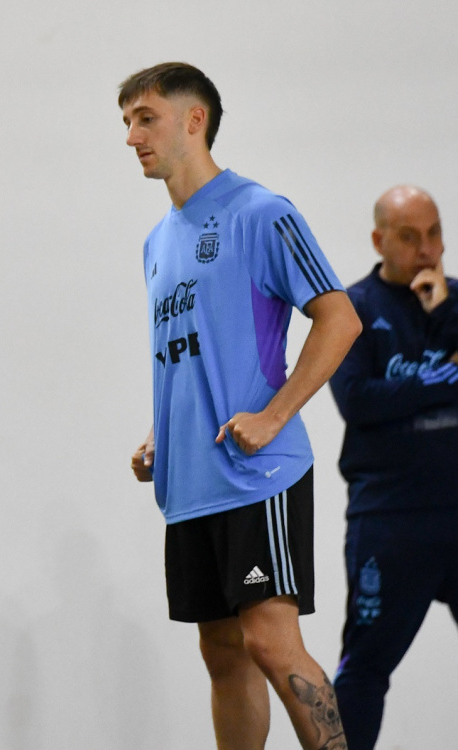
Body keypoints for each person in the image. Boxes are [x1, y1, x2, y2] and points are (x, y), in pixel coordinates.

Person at [120, 62, 361, 749]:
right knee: (223, 654)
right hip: (192, 482)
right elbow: (191, 353)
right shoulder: (157, 243)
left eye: (145, 117)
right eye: (127, 122)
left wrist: (274, 415)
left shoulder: (261, 213)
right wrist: (159, 434)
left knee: (270, 642)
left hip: (259, 473)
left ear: (194, 120)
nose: (132, 135)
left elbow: (339, 318)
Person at [329, 185, 458, 749]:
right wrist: (440, 379)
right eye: (410, 237)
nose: (427, 250)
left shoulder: (457, 301)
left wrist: (446, 313)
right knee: (365, 667)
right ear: (380, 241)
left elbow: (386, 396)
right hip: (391, 521)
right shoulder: (352, 309)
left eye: (434, 234)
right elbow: (357, 400)